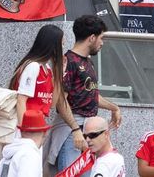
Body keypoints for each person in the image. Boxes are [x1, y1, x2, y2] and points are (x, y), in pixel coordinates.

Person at [54, 15, 122, 172]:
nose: (102, 43)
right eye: (101, 38)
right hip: (72, 132)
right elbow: (60, 101)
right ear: (92, 38)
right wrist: (75, 130)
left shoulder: (88, 61)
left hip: (87, 132)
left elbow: (91, 95)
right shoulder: (68, 61)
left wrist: (114, 107)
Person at [6, 25, 69, 164]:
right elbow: (21, 100)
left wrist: (60, 71)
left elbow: (51, 103)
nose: (62, 49)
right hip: (26, 129)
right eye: (61, 44)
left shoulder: (47, 69)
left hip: (38, 127)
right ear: (52, 44)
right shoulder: (33, 66)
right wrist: (24, 131)